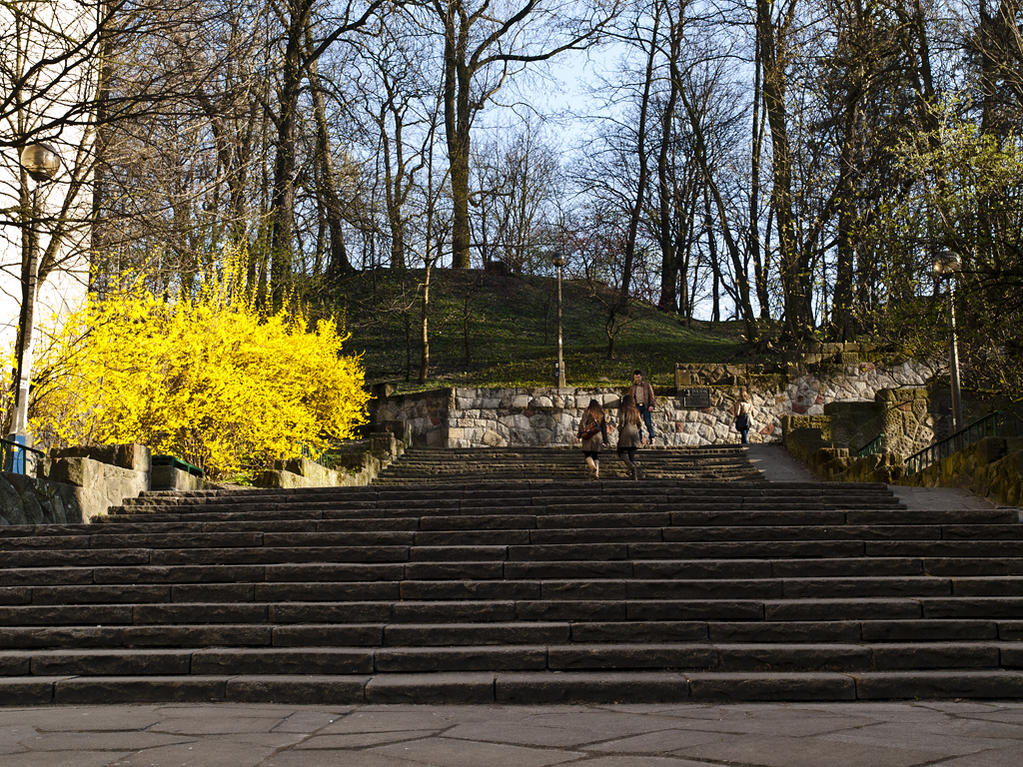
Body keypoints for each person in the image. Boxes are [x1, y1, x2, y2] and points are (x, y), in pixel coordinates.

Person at [577, 399, 608, 480]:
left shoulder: (587, 412)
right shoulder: (601, 413)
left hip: (589, 436)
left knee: (587, 454)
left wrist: (579, 434)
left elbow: (582, 424)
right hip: (598, 436)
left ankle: (592, 467)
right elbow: (604, 427)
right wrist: (605, 440)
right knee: (595, 455)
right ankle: (596, 473)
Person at [616, 394, 645, 480]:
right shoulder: (636, 410)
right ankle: (634, 474)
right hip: (634, 433)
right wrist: (636, 429)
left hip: (626, 432)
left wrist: (620, 429)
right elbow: (640, 423)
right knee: (632, 455)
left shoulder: (623, 410)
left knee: (621, 452)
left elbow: (622, 421)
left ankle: (631, 466)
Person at [628, 370, 656, 444]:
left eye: (638, 377)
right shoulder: (632, 387)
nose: (637, 379)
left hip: (646, 406)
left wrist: (651, 405)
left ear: (641, 377)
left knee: (648, 422)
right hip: (637, 407)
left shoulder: (647, 385)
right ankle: (640, 439)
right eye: (635, 377)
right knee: (638, 423)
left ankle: (652, 437)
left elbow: (651, 396)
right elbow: (631, 398)